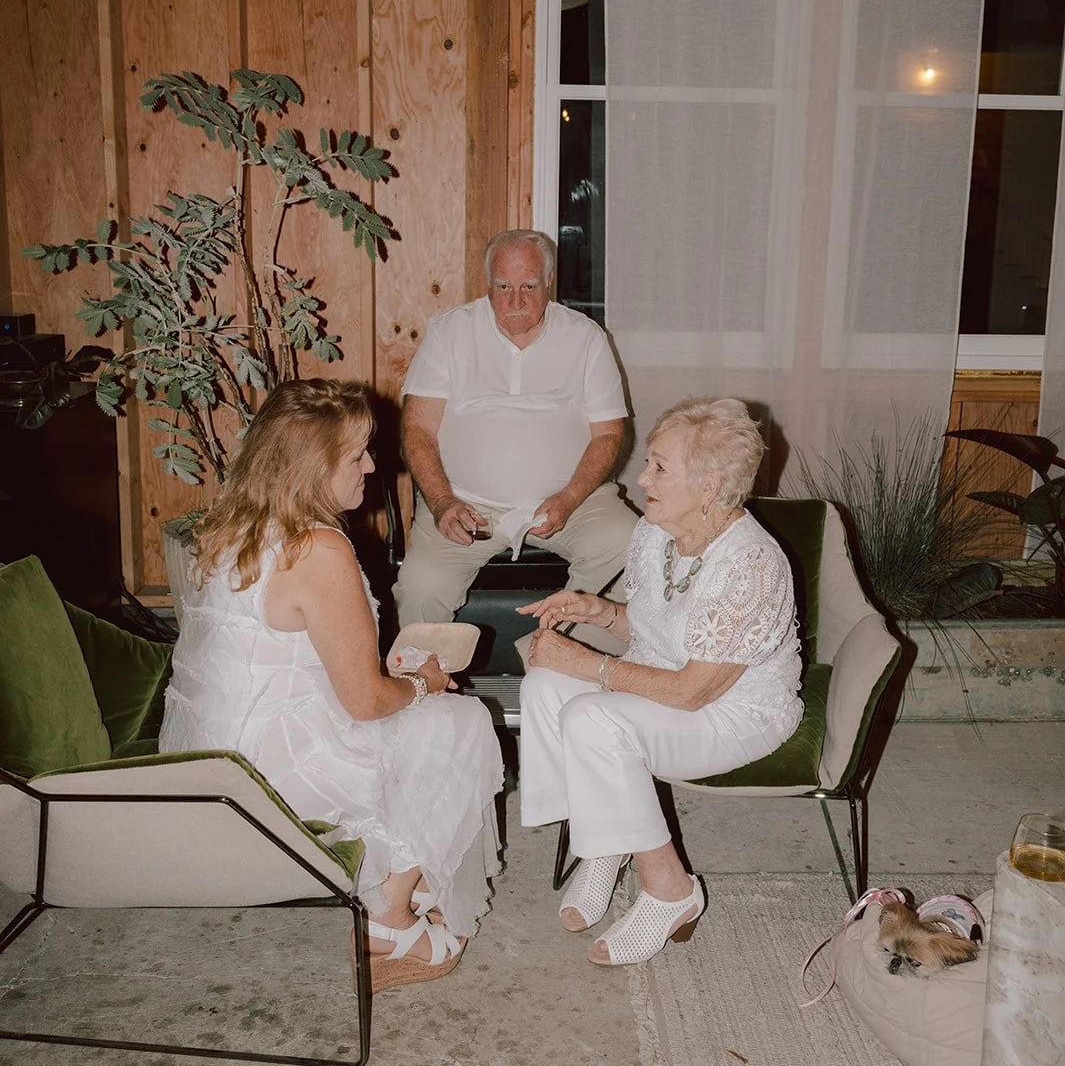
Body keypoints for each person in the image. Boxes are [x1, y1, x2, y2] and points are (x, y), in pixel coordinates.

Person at [159, 378, 504, 991]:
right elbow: (366, 703)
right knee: (460, 723)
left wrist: (390, 681)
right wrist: (422, 684)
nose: (373, 466)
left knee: (419, 718)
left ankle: (395, 884)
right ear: (312, 467)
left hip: (215, 757)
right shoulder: (316, 547)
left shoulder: (231, 525)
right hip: (270, 779)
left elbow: (286, 659)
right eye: (357, 455)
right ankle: (388, 918)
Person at [518, 397, 802, 968]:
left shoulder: (751, 564)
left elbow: (693, 690)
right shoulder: (656, 533)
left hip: (734, 714)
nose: (641, 478)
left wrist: (589, 665)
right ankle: (606, 842)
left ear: (709, 486)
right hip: (665, 689)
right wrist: (599, 613)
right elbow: (656, 629)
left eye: (659, 467)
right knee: (546, 683)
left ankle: (671, 891)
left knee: (591, 717)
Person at [393, 228, 638, 629]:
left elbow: (609, 435)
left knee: (629, 543)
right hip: (463, 503)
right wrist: (440, 502)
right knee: (421, 587)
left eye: (529, 286)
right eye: (504, 286)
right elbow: (417, 429)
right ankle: (424, 683)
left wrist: (570, 497)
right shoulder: (448, 332)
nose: (516, 300)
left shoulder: (587, 338)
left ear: (548, 283)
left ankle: (554, 651)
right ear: (488, 286)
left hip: (571, 502)